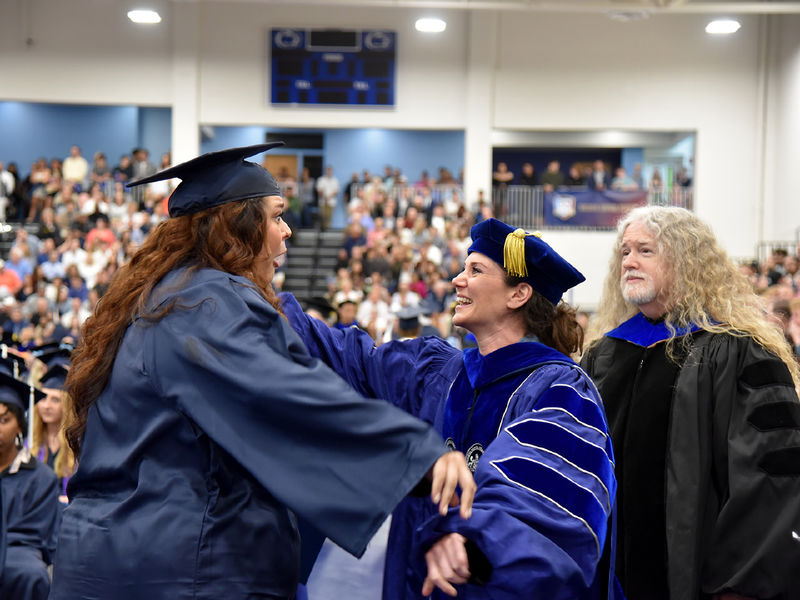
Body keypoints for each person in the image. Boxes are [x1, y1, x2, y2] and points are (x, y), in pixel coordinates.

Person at [50, 143, 476, 599]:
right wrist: (415, 455)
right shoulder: (207, 302)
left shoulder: (159, 299)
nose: (287, 231)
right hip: (182, 567)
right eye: (275, 216)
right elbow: (284, 395)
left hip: (123, 557)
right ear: (237, 225)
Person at [282, 218, 618, 599]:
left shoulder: (560, 389)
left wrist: (470, 538)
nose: (457, 280)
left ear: (518, 294)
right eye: (462, 268)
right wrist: (260, 299)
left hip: (486, 582)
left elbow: (543, 492)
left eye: (475, 270)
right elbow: (347, 356)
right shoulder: (436, 370)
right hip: (421, 582)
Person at [581, 206, 800, 600]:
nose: (629, 261)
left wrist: (739, 585)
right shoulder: (604, 356)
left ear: (686, 260)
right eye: (625, 252)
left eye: (645, 251)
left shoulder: (737, 354)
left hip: (703, 581)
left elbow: (770, 479)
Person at [0, 369, 60, 600]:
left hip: (19, 551)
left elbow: (35, 535)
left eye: (4, 420)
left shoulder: (42, 478)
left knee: (30, 573)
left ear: (20, 427)